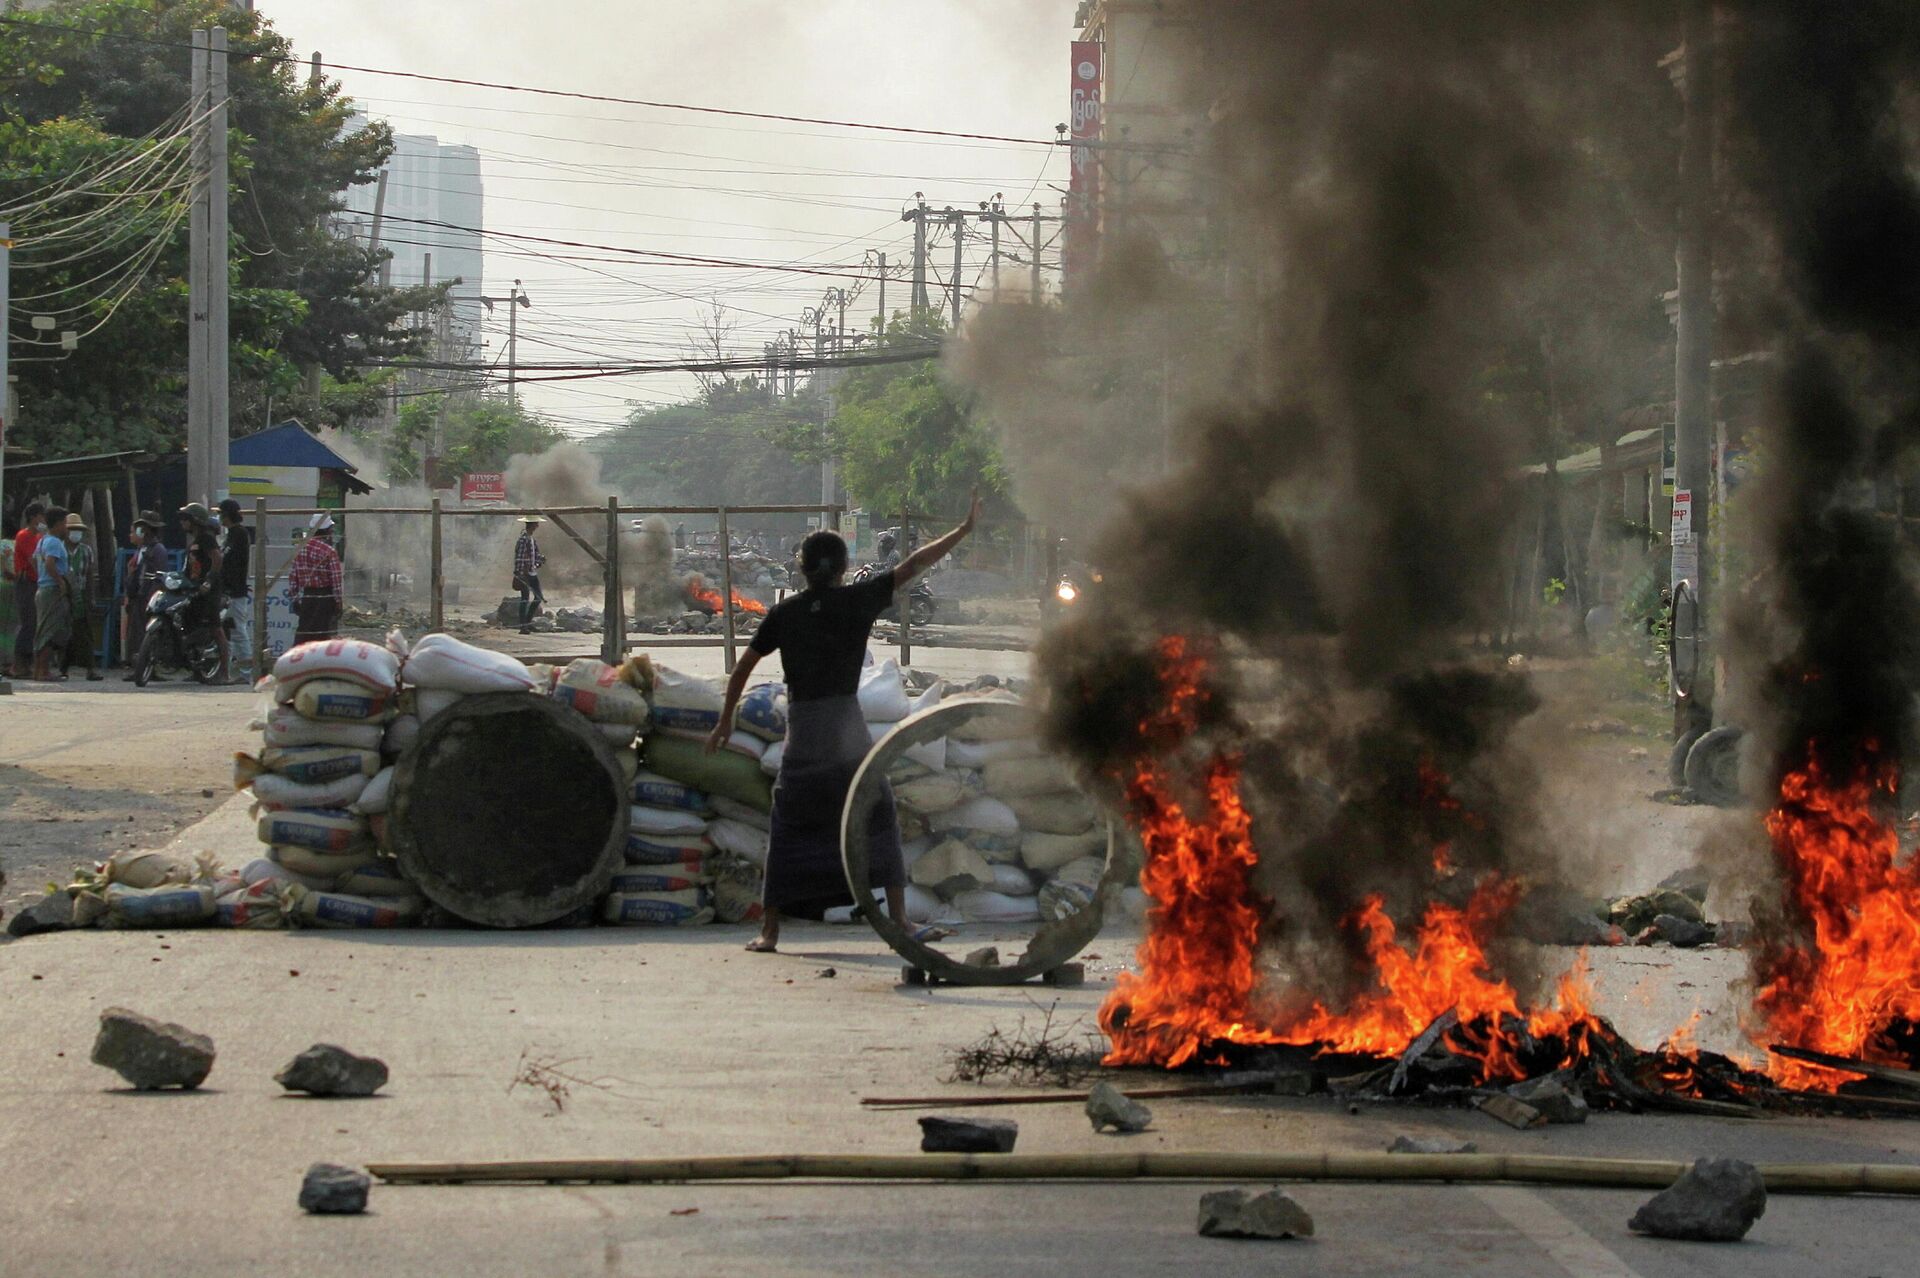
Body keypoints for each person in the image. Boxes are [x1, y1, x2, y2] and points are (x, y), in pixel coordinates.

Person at [708, 490, 982, 953]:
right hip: (848, 735)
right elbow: (913, 564)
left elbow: (742, 670)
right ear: (842, 567)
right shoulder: (857, 602)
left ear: (801, 567)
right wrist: (961, 531)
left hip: (803, 737)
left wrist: (723, 724)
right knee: (878, 817)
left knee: (790, 828)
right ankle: (900, 920)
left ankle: (770, 932)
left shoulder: (784, 613)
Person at [121, 513, 169, 680]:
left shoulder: (158, 550)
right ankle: (138, 669)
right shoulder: (141, 550)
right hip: (138, 596)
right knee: (136, 635)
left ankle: (149, 669)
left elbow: (158, 576)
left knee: (146, 635)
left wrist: (151, 597)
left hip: (149, 597)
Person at [288, 513, 344, 644]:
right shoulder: (329, 551)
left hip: (307, 596)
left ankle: (299, 659)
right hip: (324, 596)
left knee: (304, 630)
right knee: (322, 633)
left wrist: (295, 598)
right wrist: (338, 602)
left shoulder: (300, 549)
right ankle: (319, 660)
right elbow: (336, 580)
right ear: (327, 530)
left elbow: (293, 577)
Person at [31, 506, 71, 682]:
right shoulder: (54, 542)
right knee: (50, 631)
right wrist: (60, 581)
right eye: (65, 523)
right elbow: (49, 563)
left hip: (42, 588)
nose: (66, 527)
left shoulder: (42, 541)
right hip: (52, 590)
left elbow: (34, 560)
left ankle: (39, 670)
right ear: (58, 524)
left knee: (42, 630)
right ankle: (44, 671)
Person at [60, 516, 102, 681]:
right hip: (64, 594)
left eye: (78, 530)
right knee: (66, 633)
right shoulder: (60, 549)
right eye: (73, 530)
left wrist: (91, 597)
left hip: (82, 594)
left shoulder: (86, 550)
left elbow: (90, 575)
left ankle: (91, 669)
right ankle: (63, 668)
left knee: (85, 632)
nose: (76, 534)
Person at [7, 501, 45, 678]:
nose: (42, 519)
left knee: (35, 624)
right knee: (27, 623)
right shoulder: (24, 535)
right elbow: (33, 560)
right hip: (25, 582)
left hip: (35, 583)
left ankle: (27, 664)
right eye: (40, 516)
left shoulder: (38, 537)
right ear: (33, 517)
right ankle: (17, 664)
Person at [217, 499, 252, 683]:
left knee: (238, 631)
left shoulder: (239, 534)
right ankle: (227, 670)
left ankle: (246, 673)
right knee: (227, 632)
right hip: (227, 590)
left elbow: (231, 562)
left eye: (221, 513)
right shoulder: (230, 534)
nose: (219, 517)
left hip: (235, 591)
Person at [512, 515, 547, 634]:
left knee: (538, 598)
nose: (538, 525)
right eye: (536, 523)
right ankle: (523, 626)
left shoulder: (531, 539)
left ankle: (527, 623)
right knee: (525, 599)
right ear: (532, 525)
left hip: (532, 572)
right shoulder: (523, 539)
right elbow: (520, 558)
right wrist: (520, 574)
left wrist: (540, 560)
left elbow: (535, 556)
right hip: (524, 573)